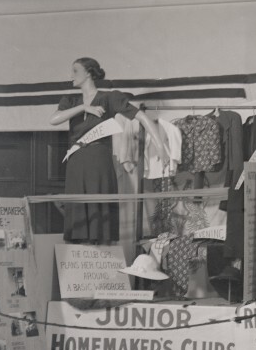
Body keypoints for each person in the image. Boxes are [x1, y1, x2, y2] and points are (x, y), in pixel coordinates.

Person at [50, 57, 169, 244]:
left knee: (101, 213)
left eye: (75, 71)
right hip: (76, 162)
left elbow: (141, 117)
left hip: (99, 161)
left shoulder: (109, 98)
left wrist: (160, 146)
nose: (70, 75)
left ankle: (102, 261)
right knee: (78, 214)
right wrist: (84, 107)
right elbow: (54, 119)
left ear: (88, 73)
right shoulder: (70, 100)